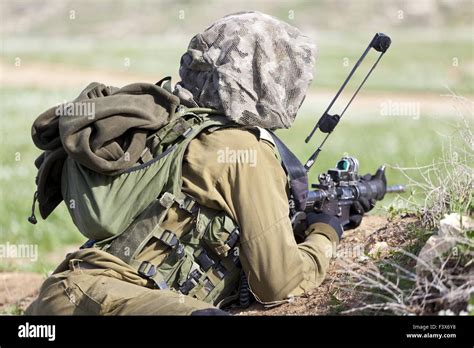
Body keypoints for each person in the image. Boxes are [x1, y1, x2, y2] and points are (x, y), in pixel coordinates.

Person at [26, 11, 359, 316]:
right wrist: (326, 231)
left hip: (69, 296)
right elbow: (279, 284)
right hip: (113, 301)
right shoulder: (244, 149)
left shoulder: (175, 125)